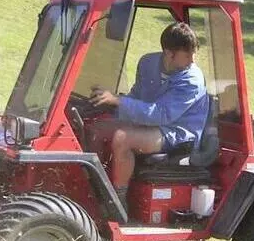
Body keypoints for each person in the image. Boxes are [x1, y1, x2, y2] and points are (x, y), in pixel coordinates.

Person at [89, 22, 209, 210]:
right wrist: (108, 104)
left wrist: (118, 101)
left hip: (178, 132)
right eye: (187, 54)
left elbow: (161, 115)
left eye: (194, 53)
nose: (193, 60)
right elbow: (137, 96)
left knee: (122, 138)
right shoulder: (148, 63)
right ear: (169, 53)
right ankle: (94, 186)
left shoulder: (192, 80)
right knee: (96, 128)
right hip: (151, 124)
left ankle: (117, 202)